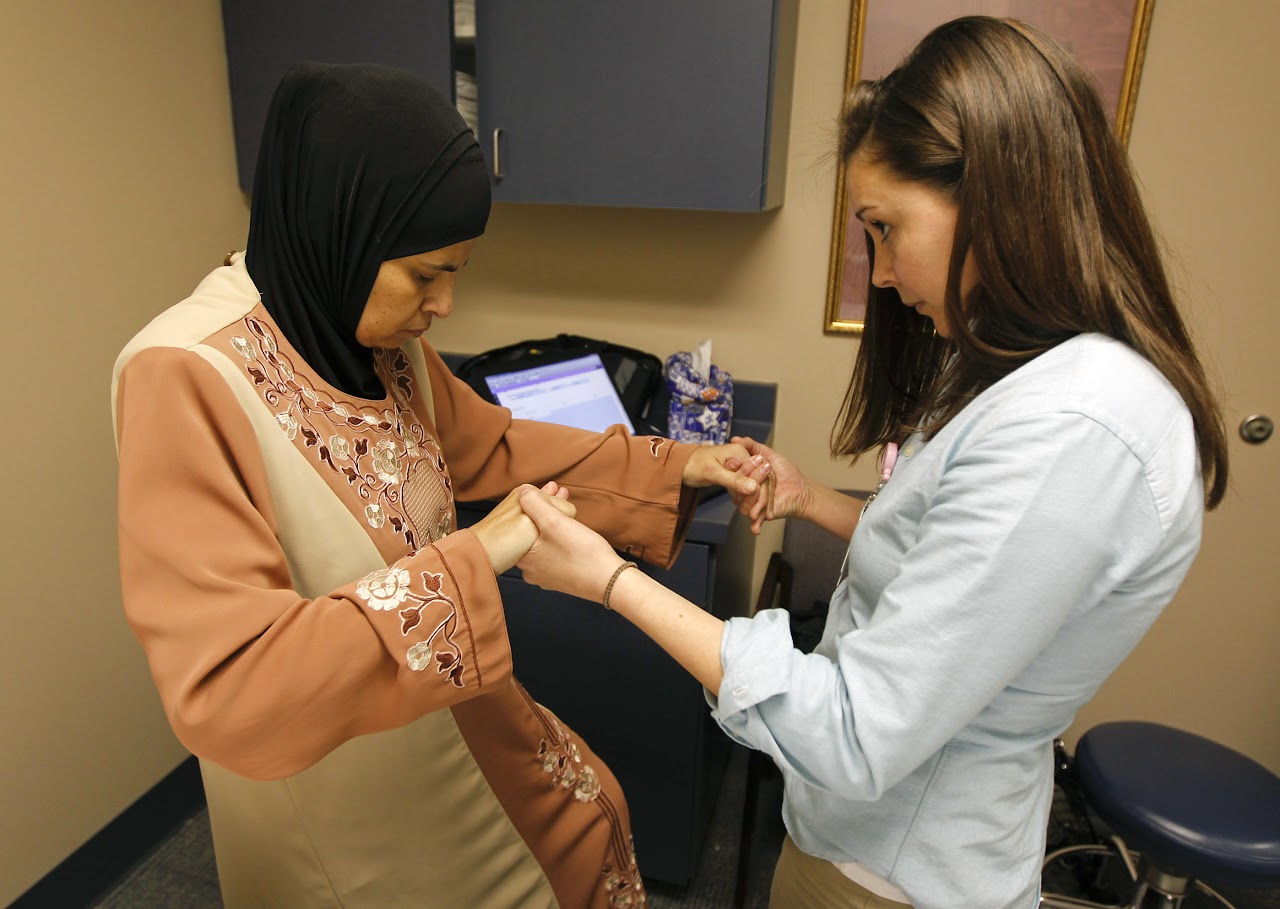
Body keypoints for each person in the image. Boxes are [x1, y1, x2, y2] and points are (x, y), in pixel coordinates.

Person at [513, 16, 1229, 909]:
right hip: (876, 841)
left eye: (886, 229)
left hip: (896, 870)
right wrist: (815, 499)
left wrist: (609, 581)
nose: (881, 272)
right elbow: (956, 560)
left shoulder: (1070, 431)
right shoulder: (1035, 375)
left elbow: (855, 730)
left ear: (998, 198)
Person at [111, 61, 757, 909]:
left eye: (457, 271)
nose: (446, 305)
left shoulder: (370, 335)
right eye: (426, 275)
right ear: (339, 228)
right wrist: (473, 560)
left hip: (451, 721)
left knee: (588, 820)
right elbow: (230, 685)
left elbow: (492, 446)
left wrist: (674, 463)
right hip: (347, 792)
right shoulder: (182, 377)